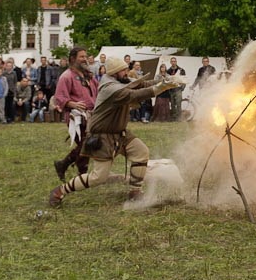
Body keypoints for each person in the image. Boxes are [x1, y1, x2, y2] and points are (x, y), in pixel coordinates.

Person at [48, 57, 180, 206]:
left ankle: (135, 192)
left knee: (141, 152)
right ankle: (60, 191)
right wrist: (161, 88)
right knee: (98, 177)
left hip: (119, 132)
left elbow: (142, 84)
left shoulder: (120, 81)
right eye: (123, 70)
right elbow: (135, 95)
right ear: (115, 72)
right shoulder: (110, 89)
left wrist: (169, 81)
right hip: (103, 136)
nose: (126, 72)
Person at [52, 47, 100, 182]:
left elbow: (99, 89)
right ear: (73, 59)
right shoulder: (66, 76)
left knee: (88, 145)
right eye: (82, 57)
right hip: (77, 117)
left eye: (86, 56)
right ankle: (75, 170)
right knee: (87, 144)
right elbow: (59, 97)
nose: (85, 59)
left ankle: (69, 167)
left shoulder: (89, 76)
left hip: (91, 115)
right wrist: (73, 104)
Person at [166, 57, 187, 121]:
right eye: (172, 61)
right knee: (172, 105)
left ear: (176, 62)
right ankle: (174, 117)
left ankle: (179, 118)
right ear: (170, 62)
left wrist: (182, 88)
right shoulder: (168, 71)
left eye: (174, 61)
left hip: (178, 90)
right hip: (171, 90)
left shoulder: (181, 70)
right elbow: (167, 80)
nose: (173, 62)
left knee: (178, 104)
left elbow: (184, 79)